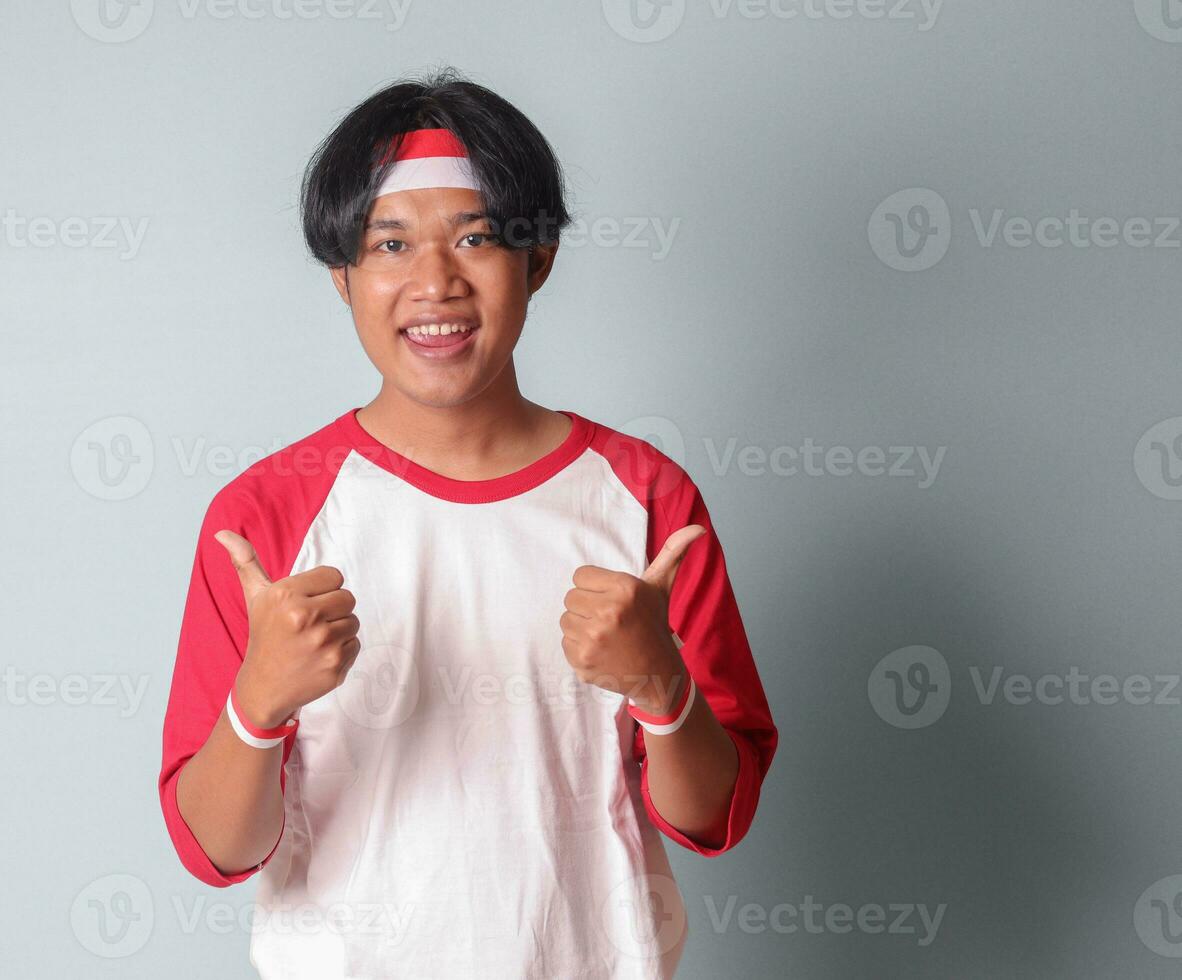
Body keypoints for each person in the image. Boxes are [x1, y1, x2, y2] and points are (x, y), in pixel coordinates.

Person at [157, 66, 778, 979]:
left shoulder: (647, 498)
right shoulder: (266, 515)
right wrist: (259, 705)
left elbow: (714, 816)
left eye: (476, 238)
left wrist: (662, 687)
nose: (434, 282)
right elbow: (217, 847)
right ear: (342, 276)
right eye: (390, 243)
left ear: (539, 261)